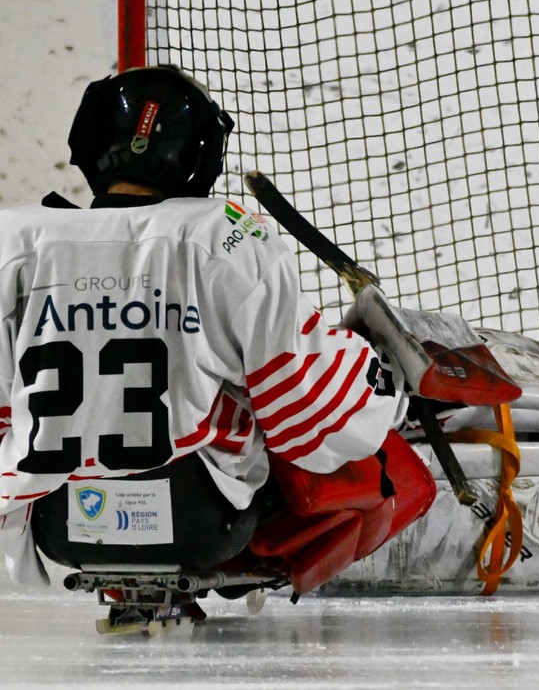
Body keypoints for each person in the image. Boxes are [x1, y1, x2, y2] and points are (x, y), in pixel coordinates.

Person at [0, 65, 433, 616]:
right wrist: (381, 379)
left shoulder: (14, 240)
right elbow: (310, 408)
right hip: (204, 522)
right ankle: (256, 577)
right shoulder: (225, 233)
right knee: (358, 452)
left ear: (88, 141)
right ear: (201, 152)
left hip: (58, 524)